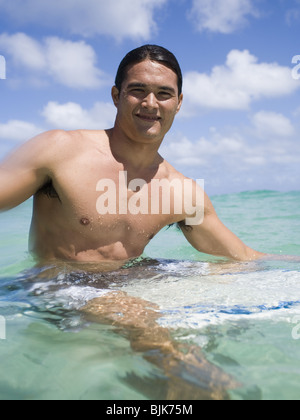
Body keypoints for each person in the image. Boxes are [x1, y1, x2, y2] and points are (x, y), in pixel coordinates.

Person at [0, 45, 265, 268]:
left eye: (164, 94)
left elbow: (243, 257)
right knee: (147, 323)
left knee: (226, 290)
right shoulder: (59, 151)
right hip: (57, 288)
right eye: (138, 90)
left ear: (179, 102)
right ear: (117, 96)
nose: (151, 103)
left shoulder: (182, 193)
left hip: (126, 286)